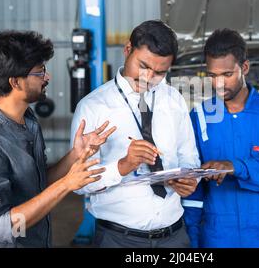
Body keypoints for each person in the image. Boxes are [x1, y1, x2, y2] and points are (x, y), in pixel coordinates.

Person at [0, 30, 116, 247]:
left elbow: (37, 183)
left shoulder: (28, 120)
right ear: (15, 82)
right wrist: (65, 185)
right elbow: (1, 228)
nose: (47, 77)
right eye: (40, 72)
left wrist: (74, 155)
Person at [71, 20, 200, 248]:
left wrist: (190, 179)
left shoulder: (174, 100)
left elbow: (189, 156)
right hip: (118, 239)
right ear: (128, 49)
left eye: (160, 72)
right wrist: (123, 165)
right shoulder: (93, 107)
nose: (149, 77)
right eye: (143, 66)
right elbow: (79, 183)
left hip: (174, 236)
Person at [183, 28, 259, 248]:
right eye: (212, 76)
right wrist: (193, 241)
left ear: (244, 67)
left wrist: (234, 167)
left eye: (227, 75)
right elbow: (194, 191)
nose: (218, 84)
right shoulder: (199, 117)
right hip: (216, 237)